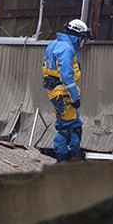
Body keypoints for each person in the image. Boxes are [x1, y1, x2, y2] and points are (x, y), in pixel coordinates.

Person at [42, 19, 92, 162]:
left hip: (59, 93)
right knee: (65, 129)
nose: (82, 42)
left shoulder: (53, 45)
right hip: (63, 95)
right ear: (77, 35)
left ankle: (76, 159)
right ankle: (62, 161)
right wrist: (75, 98)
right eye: (82, 38)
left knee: (74, 125)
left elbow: (45, 66)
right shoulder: (67, 49)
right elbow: (67, 76)